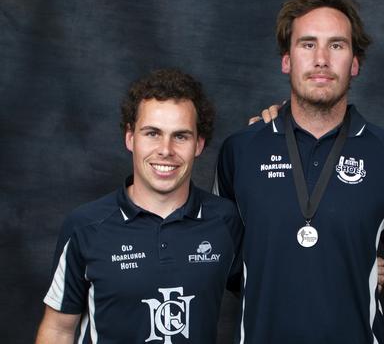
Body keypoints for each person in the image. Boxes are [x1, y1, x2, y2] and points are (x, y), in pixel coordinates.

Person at [214, 0, 384, 344]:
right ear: (286, 59)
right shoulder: (240, 151)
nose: (321, 59)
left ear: (354, 62)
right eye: (308, 44)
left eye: (336, 45)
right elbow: (221, 258)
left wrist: (362, 268)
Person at [34, 69, 242, 343]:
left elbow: (270, 295)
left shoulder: (225, 221)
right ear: (130, 138)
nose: (165, 149)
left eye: (180, 136)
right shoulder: (85, 227)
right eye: (152, 133)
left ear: (199, 144)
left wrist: (280, 122)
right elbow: (58, 330)